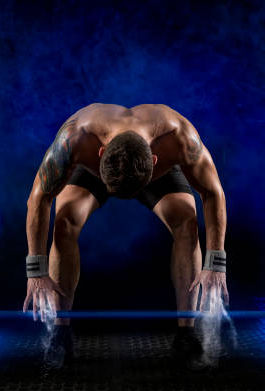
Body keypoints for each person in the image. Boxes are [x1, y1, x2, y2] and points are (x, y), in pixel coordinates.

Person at [23, 103, 228, 368]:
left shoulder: (180, 137)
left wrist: (216, 264)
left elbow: (213, 194)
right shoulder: (76, 137)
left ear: (154, 159)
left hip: (155, 174)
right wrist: (36, 271)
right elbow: (39, 198)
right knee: (64, 223)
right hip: (92, 169)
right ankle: (60, 335)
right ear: (101, 152)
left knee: (188, 224)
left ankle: (186, 334)